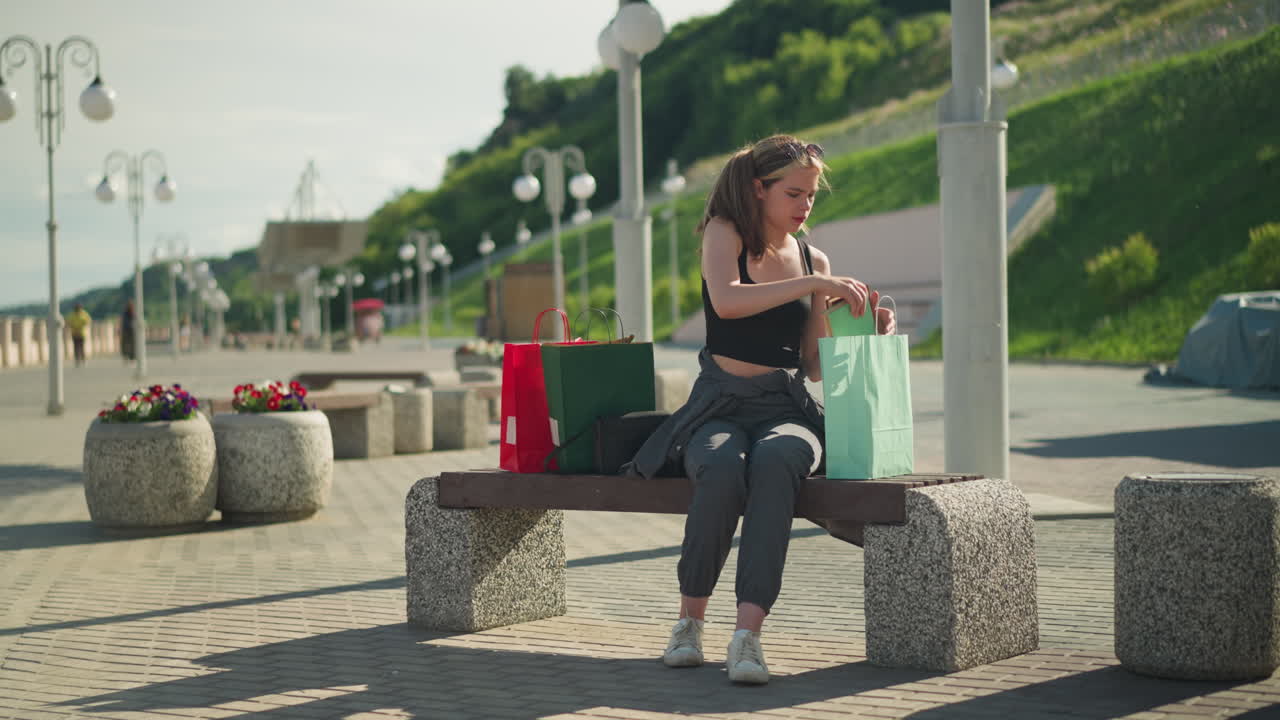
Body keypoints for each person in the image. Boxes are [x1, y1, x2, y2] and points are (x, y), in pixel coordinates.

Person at [623, 135, 895, 685]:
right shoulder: (725, 233)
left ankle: (747, 637)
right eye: (794, 193)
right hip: (718, 405)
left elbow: (814, 364)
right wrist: (815, 283)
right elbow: (726, 300)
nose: (804, 206)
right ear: (758, 188)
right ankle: (689, 624)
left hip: (786, 407)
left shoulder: (811, 257)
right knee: (721, 469)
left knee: (778, 463)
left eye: (812, 197)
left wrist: (866, 328)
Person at [65, 303, 92, 367]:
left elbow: (88, 321)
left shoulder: (84, 314)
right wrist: (72, 326)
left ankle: (83, 359)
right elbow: (68, 322)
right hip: (74, 333)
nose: (77, 309)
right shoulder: (72, 314)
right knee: (76, 347)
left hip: (82, 333)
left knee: (81, 347)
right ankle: (77, 360)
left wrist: (81, 326)